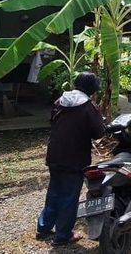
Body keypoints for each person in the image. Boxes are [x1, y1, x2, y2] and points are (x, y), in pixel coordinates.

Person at [36, 72, 105, 246]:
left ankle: (43, 227)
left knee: (54, 191)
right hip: (75, 158)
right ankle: (63, 236)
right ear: (92, 90)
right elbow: (98, 132)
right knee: (69, 197)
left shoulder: (60, 100)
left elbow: (52, 120)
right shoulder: (89, 107)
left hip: (54, 154)